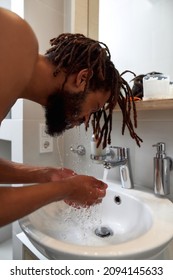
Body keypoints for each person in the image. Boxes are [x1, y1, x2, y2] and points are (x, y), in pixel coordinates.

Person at [0, 8, 142, 227]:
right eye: (93, 108)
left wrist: (47, 174)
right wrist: (66, 189)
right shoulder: (18, 39)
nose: (86, 120)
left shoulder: (14, 80)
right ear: (82, 78)